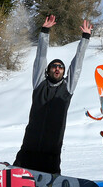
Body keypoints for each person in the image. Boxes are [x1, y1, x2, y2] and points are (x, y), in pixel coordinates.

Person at [14, 15, 92, 174]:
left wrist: (85, 38)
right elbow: (40, 57)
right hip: (29, 147)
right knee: (18, 178)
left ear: (63, 72)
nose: (57, 68)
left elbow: (77, 63)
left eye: (60, 67)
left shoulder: (67, 88)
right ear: (48, 70)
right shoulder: (39, 84)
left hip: (52, 152)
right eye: (54, 66)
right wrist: (44, 32)